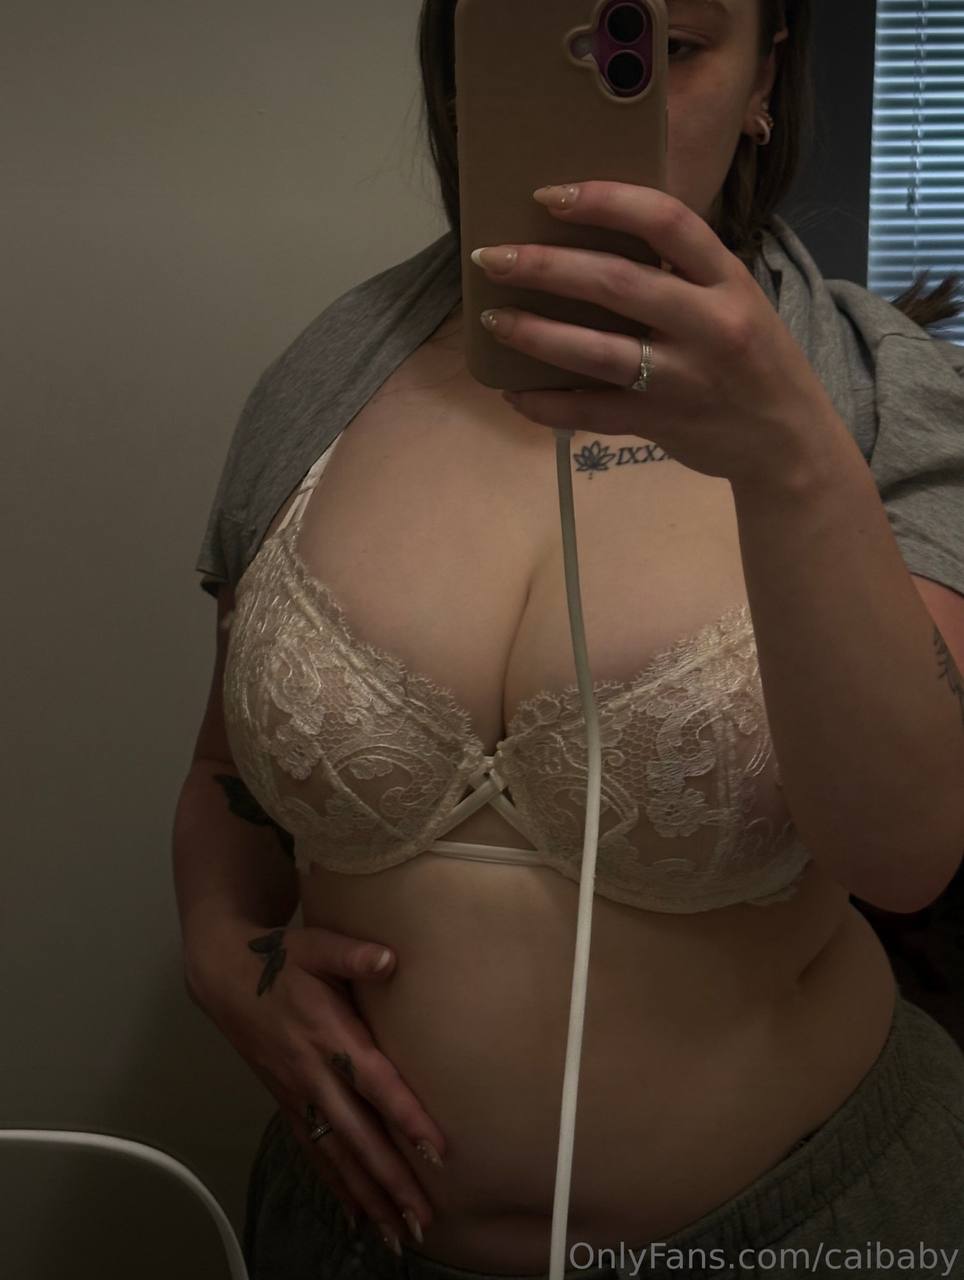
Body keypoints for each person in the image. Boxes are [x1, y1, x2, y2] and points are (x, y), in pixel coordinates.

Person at [174, 1, 964, 1276]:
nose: (614, 93)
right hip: (347, 1238)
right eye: (553, 41)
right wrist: (221, 947)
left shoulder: (876, 400)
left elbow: (907, 850)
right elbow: (225, 774)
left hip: (802, 1228)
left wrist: (789, 460)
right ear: (458, 72)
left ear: (764, 82)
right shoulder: (323, 386)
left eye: (672, 47)